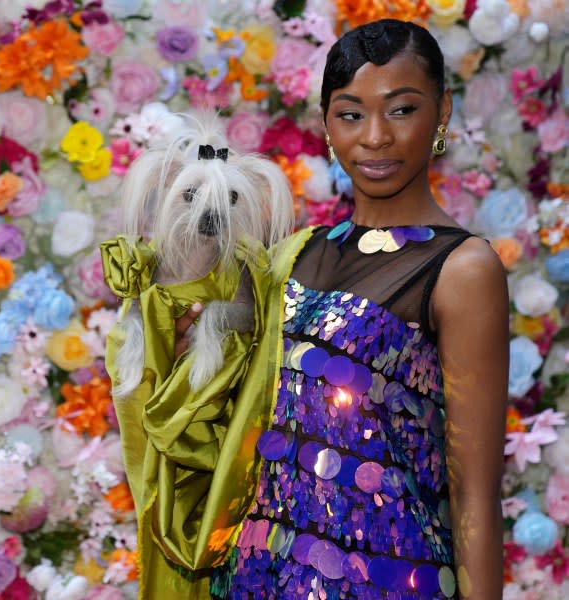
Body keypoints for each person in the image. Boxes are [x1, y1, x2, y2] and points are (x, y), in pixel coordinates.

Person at [168, 19, 509, 600]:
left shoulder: (463, 268)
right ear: (325, 123)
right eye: (350, 114)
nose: (375, 137)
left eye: (401, 109)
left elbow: (473, 491)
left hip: (391, 579)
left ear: (442, 112)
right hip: (254, 578)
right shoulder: (293, 254)